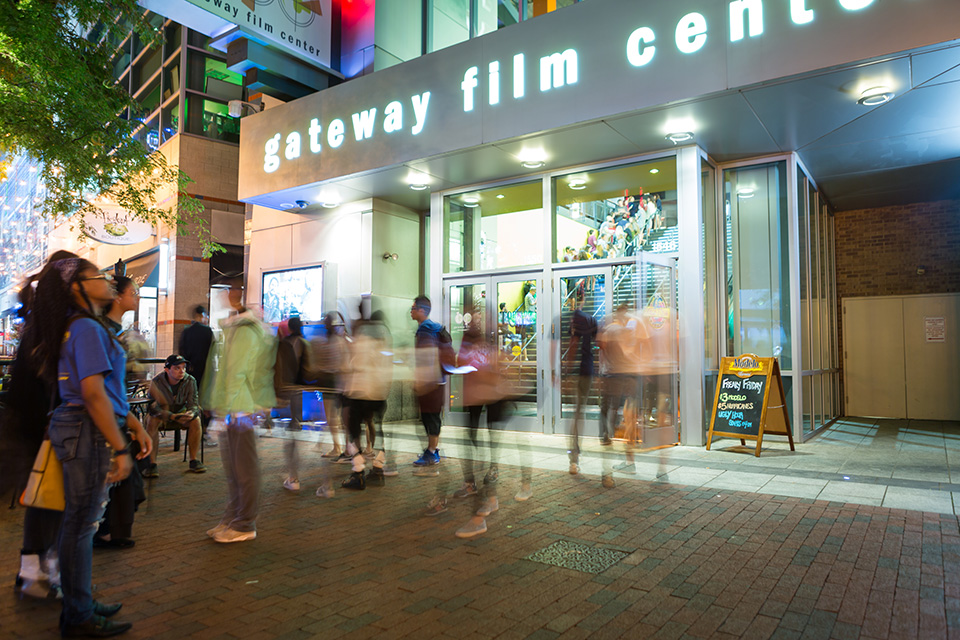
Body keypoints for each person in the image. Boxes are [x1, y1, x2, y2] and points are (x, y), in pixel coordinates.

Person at [36, 257, 152, 636]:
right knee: (81, 525)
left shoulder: (85, 325)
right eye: (97, 276)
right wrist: (120, 447)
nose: (106, 281)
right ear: (78, 287)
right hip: (87, 430)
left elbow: (108, 391)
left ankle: (80, 604)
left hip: (86, 428)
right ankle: (78, 616)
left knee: (80, 524)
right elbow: (93, 393)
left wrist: (133, 424)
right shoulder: (85, 326)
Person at [2, 250, 76, 600]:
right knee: (49, 500)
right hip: (42, 428)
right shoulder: (51, 325)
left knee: (42, 499)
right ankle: (40, 574)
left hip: (32, 425)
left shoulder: (38, 319)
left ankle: (34, 572)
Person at [203, 279, 277, 543]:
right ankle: (233, 519)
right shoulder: (237, 326)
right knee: (235, 468)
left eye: (232, 290)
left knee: (243, 468)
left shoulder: (245, 328)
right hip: (236, 407)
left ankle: (244, 523)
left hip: (241, 408)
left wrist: (224, 407)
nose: (227, 295)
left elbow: (237, 371)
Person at [95, 276, 149, 549]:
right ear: (118, 297)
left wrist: (133, 423)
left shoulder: (115, 331)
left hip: (116, 415)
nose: (137, 297)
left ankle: (105, 531)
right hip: (102, 421)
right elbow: (97, 388)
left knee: (121, 480)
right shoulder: (99, 331)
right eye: (133, 292)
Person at [340, 308, 393, 490]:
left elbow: (353, 365)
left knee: (353, 429)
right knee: (377, 428)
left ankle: (358, 470)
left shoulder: (362, 338)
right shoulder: (385, 339)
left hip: (360, 392)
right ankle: (378, 468)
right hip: (379, 393)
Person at [410, 296, 455, 514]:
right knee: (431, 415)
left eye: (413, 308)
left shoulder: (426, 330)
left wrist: (422, 380)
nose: (411, 311)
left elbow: (426, 357)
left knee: (429, 416)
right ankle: (433, 449)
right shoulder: (433, 328)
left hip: (431, 380)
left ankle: (432, 451)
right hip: (437, 379)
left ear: (422, 310)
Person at [144, 355, 206, 476]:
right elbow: (152, 408)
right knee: (151, 420)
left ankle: (193, 460)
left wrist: (191, 413)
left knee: (196, 420)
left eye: (184, 367)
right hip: (161, 414)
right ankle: (152, 464)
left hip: (180, 412)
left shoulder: (190, 380)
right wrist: (171, 416)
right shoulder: (157, 382)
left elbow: (193, 403)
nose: (182, 371)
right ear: (167, 370)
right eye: (177, 368)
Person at [277, 316, 310, 492]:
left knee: (291, 434)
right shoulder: (304, 342)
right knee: (294, 428)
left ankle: (293, 476)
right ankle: (293, 475)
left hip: (286, 389)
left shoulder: (286, 343)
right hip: (298, 389)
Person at [178, 305, 215, 447]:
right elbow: (212, 352)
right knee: (205, 403)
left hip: (190, 371)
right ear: (203, 315)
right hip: (205, 371)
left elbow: (182, 350)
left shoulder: (186, 332)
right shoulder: (207, 331)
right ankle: (203, 433)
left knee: (192, 401)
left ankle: (190, 433)